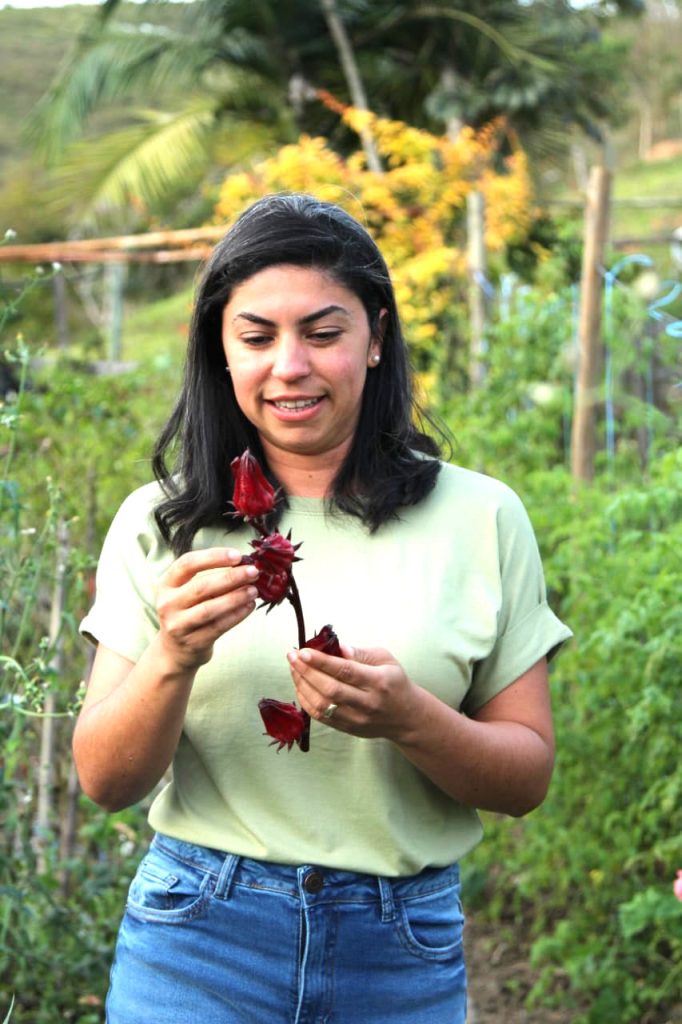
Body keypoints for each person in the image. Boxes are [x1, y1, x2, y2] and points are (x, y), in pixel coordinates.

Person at [76, 192, 572, 1024]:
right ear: (220, 352)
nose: (290, 366)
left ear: (376, 338)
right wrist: (172, 656)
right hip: (200, 938)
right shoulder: (164, 522)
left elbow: (525, 778)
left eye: (323, 332)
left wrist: (410, 717)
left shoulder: (480, 517)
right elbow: (104, 777)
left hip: (400, 948)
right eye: (257, 337)